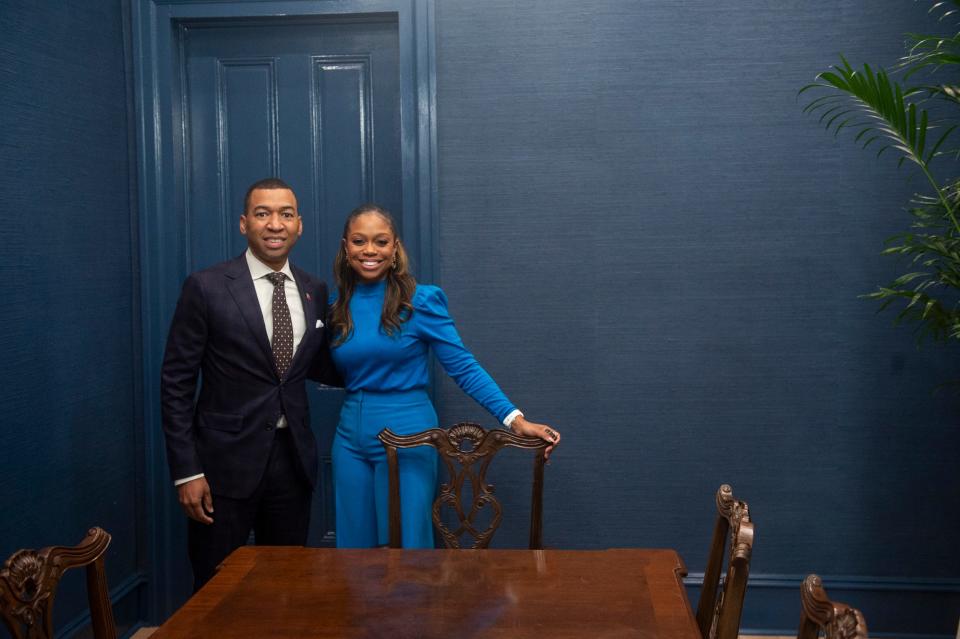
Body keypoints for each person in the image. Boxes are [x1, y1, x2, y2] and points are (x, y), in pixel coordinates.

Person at [329, 203, 561, 548]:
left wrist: (515, 420)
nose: (370, 251)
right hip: (349, 437)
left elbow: (463, 367)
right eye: (359, 241)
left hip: (407, 433)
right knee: (352, 551)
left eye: (381, 242)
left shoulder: (420, 301)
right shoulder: (337, 306)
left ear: (395, 248)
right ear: (346, 247)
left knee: (407, 549)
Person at [160, 177, 340, 590]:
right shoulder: (205, 287)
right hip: (222, 467)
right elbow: (176, 383)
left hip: (293, 463)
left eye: (285, 214)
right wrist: (186, 472)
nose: (274, 224)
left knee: (285, 587)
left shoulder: (315, 289)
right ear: (244, 224)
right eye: (263, 214)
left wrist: (392, 349)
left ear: (300, 225)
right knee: (216, 588)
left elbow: (317, 365)